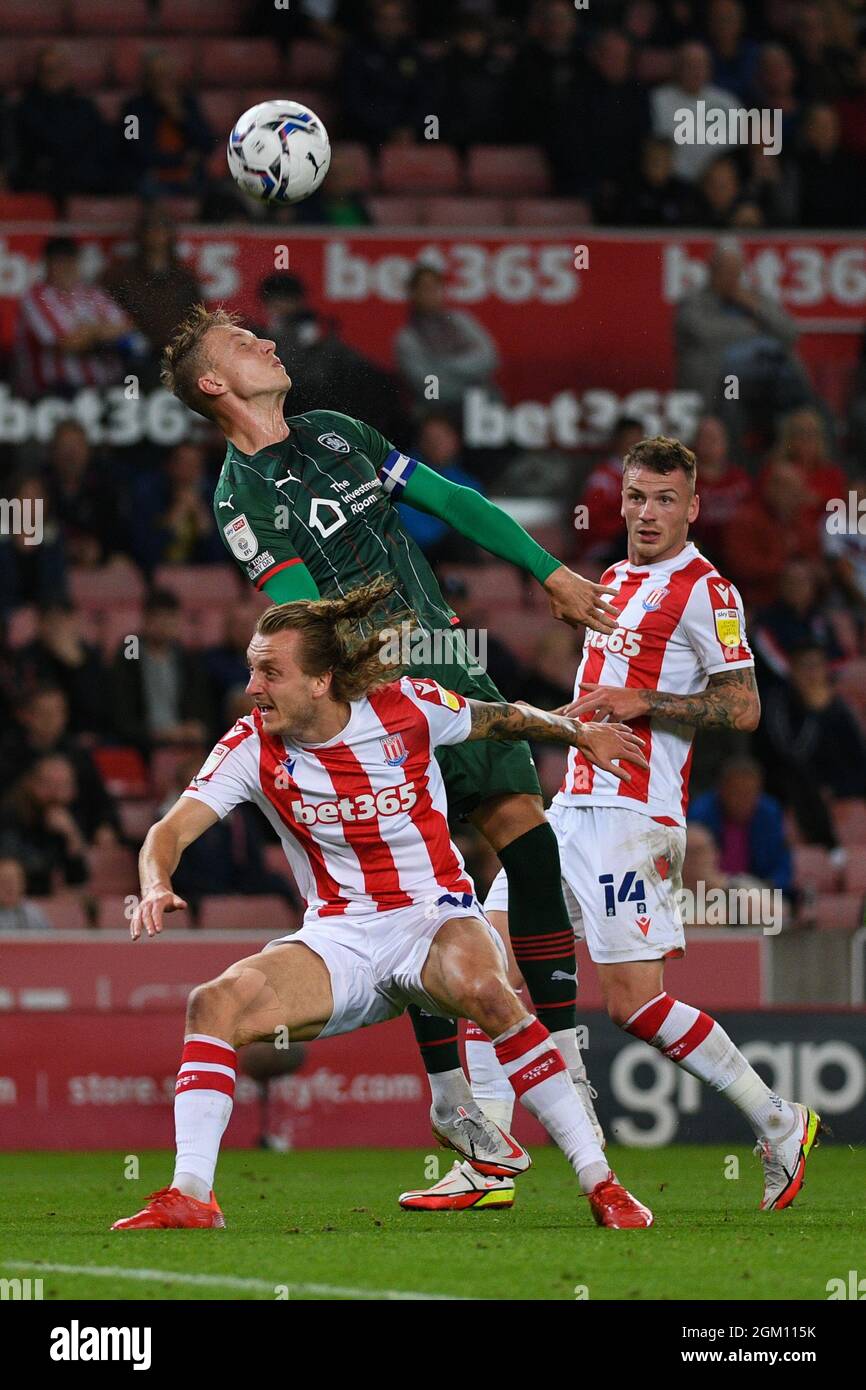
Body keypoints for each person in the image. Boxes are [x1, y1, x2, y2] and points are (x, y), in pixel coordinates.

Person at [159, 301, 622, 1170]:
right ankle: (451, 1093)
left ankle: (563, 1063)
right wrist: (372, 692)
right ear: (214, 383)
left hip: (450, 664)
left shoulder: (336, 432)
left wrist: (548, 570)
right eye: (244, 342)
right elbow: (307, 620)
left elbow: (449, 498)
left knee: (530, 846)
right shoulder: (239, 500)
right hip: (372, 703)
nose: (268, 341)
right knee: (410, 896)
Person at [111, 579, 652, 1230]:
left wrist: (577, 732)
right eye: (252, 670)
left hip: (433, 917)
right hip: (339, 938)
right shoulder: (250, 746)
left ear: (320, 681)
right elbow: (167, 832)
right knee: (212, 1003)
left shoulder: (410, 706)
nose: (253, 687)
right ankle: (192, 1196)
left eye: (270, 672)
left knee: (487, 989)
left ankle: (603, 1185)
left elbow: (504, 717)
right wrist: (154, 883)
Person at [406, 436, 820, 1214]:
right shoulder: (613, 581)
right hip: (569, 808)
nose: (648, 513)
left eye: (666, 499)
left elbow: (743, 707)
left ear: (692, 507)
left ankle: (778, 1119)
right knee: (483, 965)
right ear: (620, 500)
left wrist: (644, 702)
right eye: (636, 497)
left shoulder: (706, 590)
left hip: (636, 818)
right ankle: (490, 1160)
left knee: (634, 1005)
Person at [675, 242, 809, 433]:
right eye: (725, 272)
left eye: (736, 272)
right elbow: (704, 333)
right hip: (724, 378)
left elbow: (790, 333)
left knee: (801, 397)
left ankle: (795, 439)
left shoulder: (753, 298)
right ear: (712, 271)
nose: (731, 279)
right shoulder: (694, 302)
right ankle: (733, 450)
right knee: (732, 397)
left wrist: (756, 309)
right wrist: (752, 328)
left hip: (765, 377)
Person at [14, 238, 138, 399]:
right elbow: (67, 343)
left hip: (106, 387)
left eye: (70, 261)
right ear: (47, 264)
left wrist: (88, 331)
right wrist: (102, 331)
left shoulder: (92, 293)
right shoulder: (36, 297)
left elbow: (128, 328)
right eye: (59, 262)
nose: (66, 268)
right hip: (58, 391)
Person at [101, 205, 203, 386]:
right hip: (135, 357)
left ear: (170, 234)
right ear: (141, 234)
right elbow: (106, 313)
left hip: (177, 357)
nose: (156, 235)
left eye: (162, 228)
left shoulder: (184, 278)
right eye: (151, 228)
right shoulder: (121, 276)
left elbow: (198, 317)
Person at [110, 588, 214, 755]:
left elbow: (199, 703)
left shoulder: (183, 655)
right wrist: (156, 733)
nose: (165, 624)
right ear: (146, 619)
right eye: (159, 617)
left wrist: (194, 726)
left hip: (181, 739)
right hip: (143, 741)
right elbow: (123, 708)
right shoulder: (132, 645)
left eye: (171, 618)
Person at [395, 262, 499, 412]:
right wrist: (468, 383)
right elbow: (431, 388)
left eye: (436, 287)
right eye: (425, 288)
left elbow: (489, 358)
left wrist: (443, 364)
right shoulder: (407, 339)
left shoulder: (462, 321)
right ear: (413, 293)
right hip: (438, 410)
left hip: (481, 402)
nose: (431, 293)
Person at [690, 758, 793, 897]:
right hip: (709, 889)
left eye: (750, 793)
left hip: (757, 888)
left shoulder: (769, 813)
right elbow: (693, 867)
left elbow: (783, 862)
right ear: (721, 790)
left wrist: (769, 886)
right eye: (737, 792)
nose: (743, 800)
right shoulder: (701, 814)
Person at [650, 41, 738, 183]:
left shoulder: (727, 102)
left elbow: (736, 149)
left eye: (700, 65)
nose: (695, 71)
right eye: (689, 65)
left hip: (716, 185)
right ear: (678, 68)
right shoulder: (658, 100)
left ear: (709, 69)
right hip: (673, 182)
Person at [0, 856, 52, 931]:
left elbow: (50, 937)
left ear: (23, 883)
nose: (9, 887)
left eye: (14, 881)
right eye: (4, 881)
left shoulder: (34, 913)